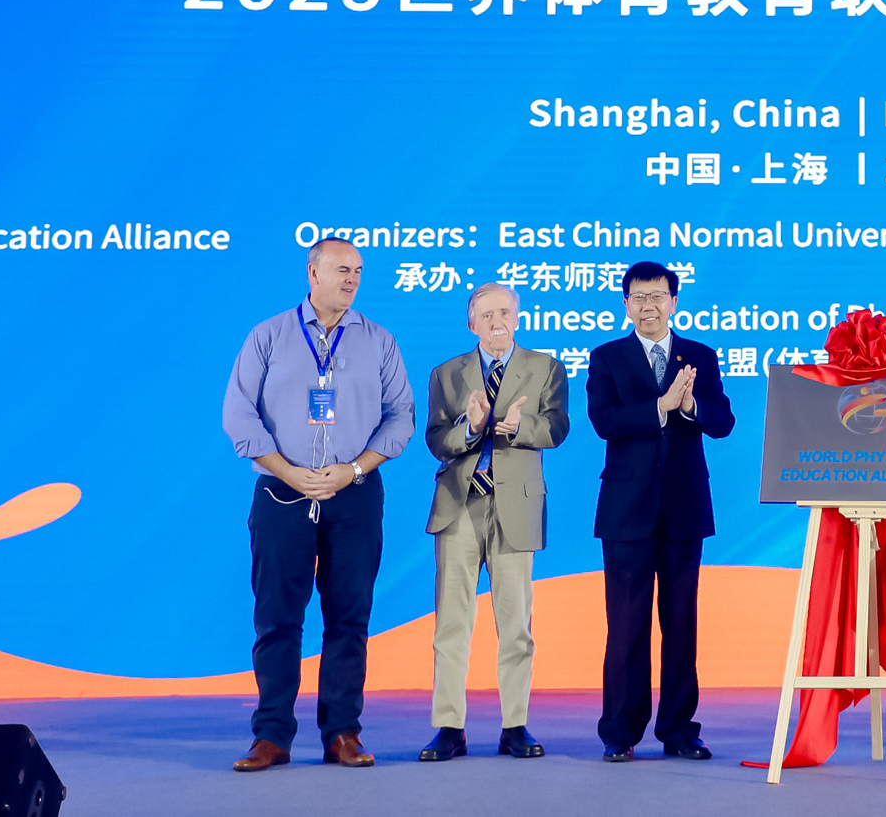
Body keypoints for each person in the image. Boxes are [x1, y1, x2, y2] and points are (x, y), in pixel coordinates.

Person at [222, 238, 415, 771]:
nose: (352, 279)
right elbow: (238, 415)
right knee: (277, 619)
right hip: (282, 493)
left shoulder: (378, 340)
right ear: (312, 273)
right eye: (341, 269)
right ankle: (271, 736)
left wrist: (353, 469)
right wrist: (290, 472)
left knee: (349, 617)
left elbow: (401, 415)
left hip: (354, 495)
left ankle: (342, 734)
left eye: (358, 271)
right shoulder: (268, 336)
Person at [586, 261, 736, 762]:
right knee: (625, 626)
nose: (647, 306)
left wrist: (690, 407)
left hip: (684, 507)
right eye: (638, 297)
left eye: (657, 296)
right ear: (625, 304)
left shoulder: (701, 356)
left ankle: (678, 730)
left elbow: (723, 421)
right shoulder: (607, 357)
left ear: (673, 301)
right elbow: (605, 421)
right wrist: (662, 405)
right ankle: (620, 732)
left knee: (681, 623)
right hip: (626, 511)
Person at [418, 282, 570, 763]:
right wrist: (471, 427)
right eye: (487, 316)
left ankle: (514, 726)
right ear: (472, 324)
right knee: (451, 622)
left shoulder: (545, 367)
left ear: (517, 318)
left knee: (515, 623)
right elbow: (436, 440)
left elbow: (557, 427)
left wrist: (519, 427)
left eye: (505, 312)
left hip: (515, 507)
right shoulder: (446, 374)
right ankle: (449, 727)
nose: (497, 322)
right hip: (459, 505)